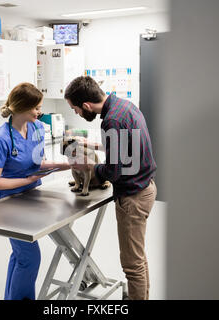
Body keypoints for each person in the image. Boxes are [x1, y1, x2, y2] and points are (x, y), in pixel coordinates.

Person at [64, 76, 157, 300]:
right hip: (146, 187)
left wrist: (92, 169)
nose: (76, 113)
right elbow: (124, 146)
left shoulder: (111, 121)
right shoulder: (124, 106)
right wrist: (90, 144)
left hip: (132, 197)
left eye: (75, 109)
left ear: (86, 105)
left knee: (132, 266)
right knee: (138, 259)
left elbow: (113, 171)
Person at [0, 82, 70, 300]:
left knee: (20, 254)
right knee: (30, 257)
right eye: (36, 108)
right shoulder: (1, 138)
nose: (40, 112)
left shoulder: (38, 128)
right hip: (7, 203)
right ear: (22, 107)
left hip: (33, 197)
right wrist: (27, 179)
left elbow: (37, 163)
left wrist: (66, 165)